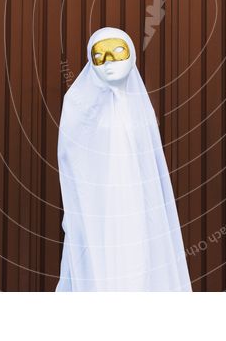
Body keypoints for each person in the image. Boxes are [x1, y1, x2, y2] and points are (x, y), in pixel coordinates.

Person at [55, 27, 191, 291]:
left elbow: (150, 165)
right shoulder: (78, 105)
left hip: (137, 204)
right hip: (97, 207)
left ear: (131, 57)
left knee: (139, 258)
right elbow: (71, 162)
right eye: (99, 56)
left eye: (118, 52)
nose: (109, 63)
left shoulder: (139, 108)